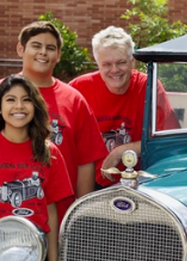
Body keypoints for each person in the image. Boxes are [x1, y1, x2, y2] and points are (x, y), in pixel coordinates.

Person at [0, 21, 107, 221]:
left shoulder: (74, 100)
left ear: (58, 55)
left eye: (50, 48)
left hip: (57, 217)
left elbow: (85, 163)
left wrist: (79, 214)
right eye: (36, 46)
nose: (43, 53)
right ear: (20, 49)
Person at [0, 75, 73, 261]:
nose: (19, 106)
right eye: (11, 100)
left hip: (34, 248)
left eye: (26, 100)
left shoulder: (50, 152)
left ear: (35, 107)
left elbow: (51, 212)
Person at [68, 26, 179, 188]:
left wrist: (122, 151)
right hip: (90, 184)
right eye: (106, 64)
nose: (114, 70)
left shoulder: (149, 87)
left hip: (140, 183)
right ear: (97, 64)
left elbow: (169, 140)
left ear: (132, 61)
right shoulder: (78, 88)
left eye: (121, 62)